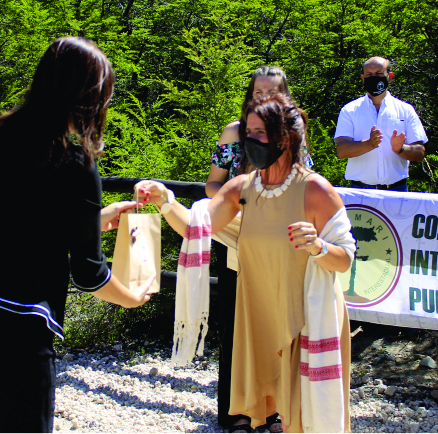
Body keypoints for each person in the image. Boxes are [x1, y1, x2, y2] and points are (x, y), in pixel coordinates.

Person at [0, 37, 155, 433]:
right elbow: (90, 274)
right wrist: (132, 298)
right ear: (91, 97)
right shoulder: (77, 162)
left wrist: (92, 220)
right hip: (11, 335)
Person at [140, 94, 354, 432]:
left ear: (285, 138)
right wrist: (166, 201)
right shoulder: (243, 188)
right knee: (268, 413)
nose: (250, 141)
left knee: (304, 418)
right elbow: (197, 228)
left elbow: (344, 261)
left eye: (259, 133)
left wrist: (317, 245)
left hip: (306, 318)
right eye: (248, 133)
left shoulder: (315, 190)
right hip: (260, 316)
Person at [206, 65, 293, 433]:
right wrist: (239, 199)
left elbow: (306, 183)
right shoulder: (233, 133)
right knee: (235, 324)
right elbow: (212, 185)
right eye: (259, 92)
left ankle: (271, 412)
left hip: (276, 244)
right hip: (236, 238)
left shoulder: (292, 136)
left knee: (273, 326)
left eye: (272, 92)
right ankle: (235, 412)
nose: (264, 98)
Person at [334, 56, 427, 190]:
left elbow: (419, 153)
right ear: (363, 78)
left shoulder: (406, 110)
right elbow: (341, 151)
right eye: (369, 74)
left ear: (389, 76)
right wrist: (369, 144)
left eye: (379, 73)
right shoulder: (349, 110)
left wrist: (400, 149)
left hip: (397, 191)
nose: (374, 77)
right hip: (361, 192)